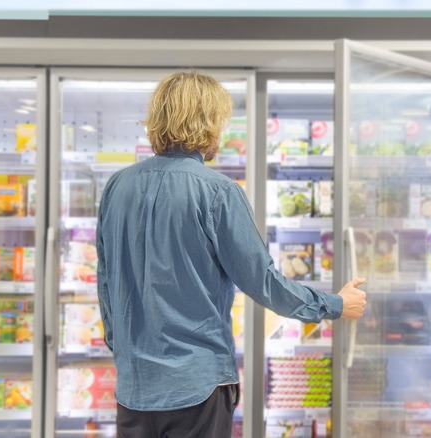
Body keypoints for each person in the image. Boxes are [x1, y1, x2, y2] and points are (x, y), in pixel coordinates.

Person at [96, 71, 367, 438]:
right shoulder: (217, 192)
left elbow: (107, 280)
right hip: (197, 386)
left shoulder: (117, 187)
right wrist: (334, 304)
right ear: (207, 123)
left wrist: (125, 348)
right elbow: (262, 281)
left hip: (134, 388)